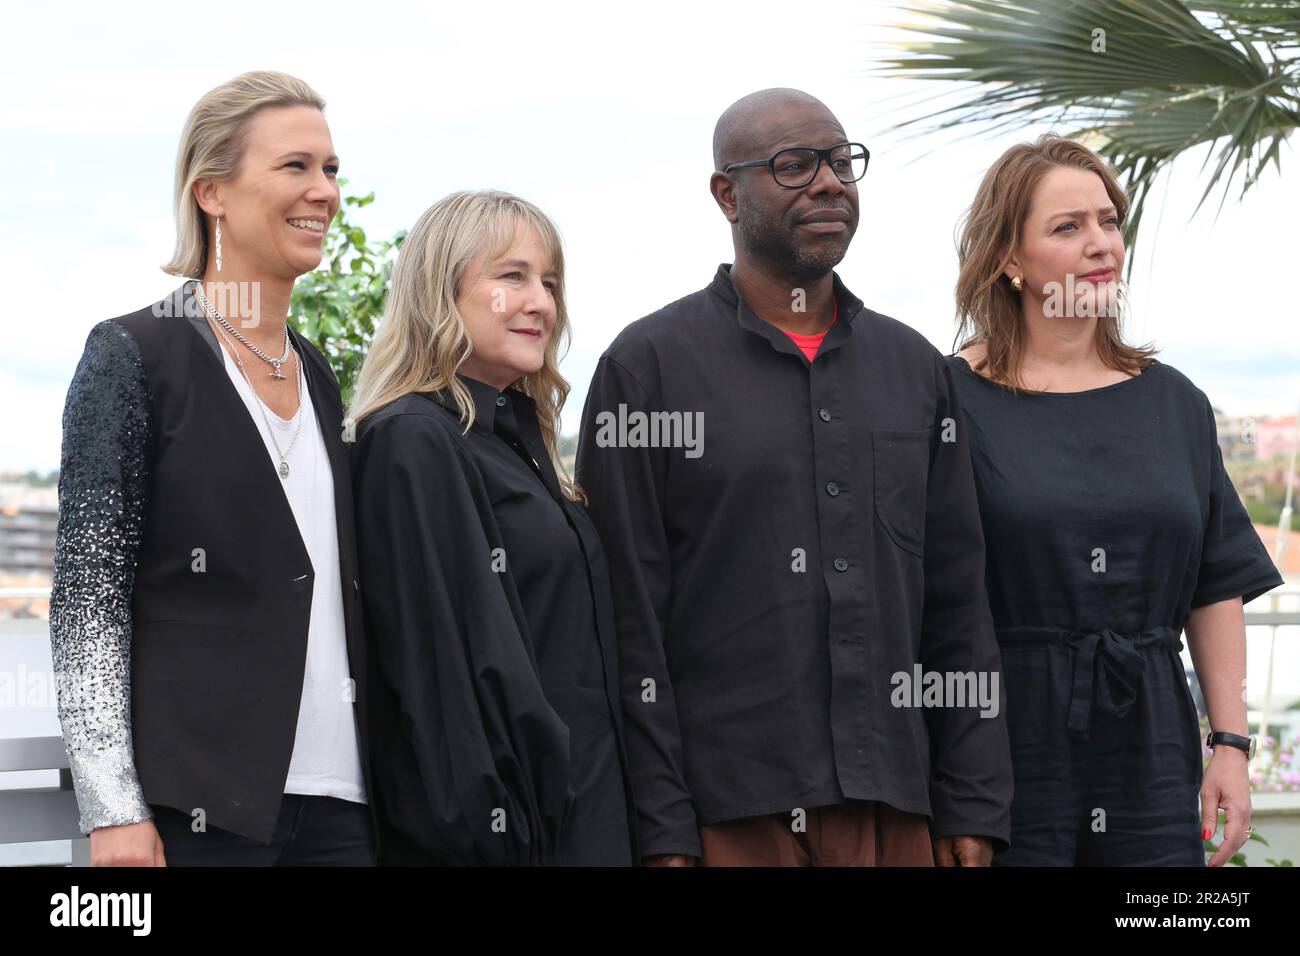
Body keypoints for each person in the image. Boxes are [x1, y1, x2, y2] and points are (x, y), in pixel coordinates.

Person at [576, 88, 1012, 867]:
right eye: (794, 165)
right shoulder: (647, 371)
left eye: (843, 162)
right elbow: (627, 621)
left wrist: (970, 803)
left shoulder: (914, 370)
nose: (829, 183)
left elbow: (957, 598)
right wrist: (664, 829)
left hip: (896, 808)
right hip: (728, 815)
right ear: (726, 193)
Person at [49, 71, 376, 866]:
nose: (324, 192)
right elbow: (88, 599)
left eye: (331, 170)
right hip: (191, 814)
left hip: (345, 809)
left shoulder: (323, 374)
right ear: (212, 193)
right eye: (295, 166)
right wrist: (113, 806)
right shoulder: (133, 354)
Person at [946, 133, 1282, 866]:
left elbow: (1216, 582)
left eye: (1109, 221)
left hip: (1152, 736)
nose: (1101, 244)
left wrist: (1229, 744)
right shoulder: (946, 400)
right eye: (1068, 228)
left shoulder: (1175, 403)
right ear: (1008, 258)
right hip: (1001, 739)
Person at [348, 190, 636, 866]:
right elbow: (440, 684)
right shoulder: (413, 440)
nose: (540, 301)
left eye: (550, 282)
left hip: (588, 827)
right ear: (438, 292)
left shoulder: (514, 443)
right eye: (512, 276)